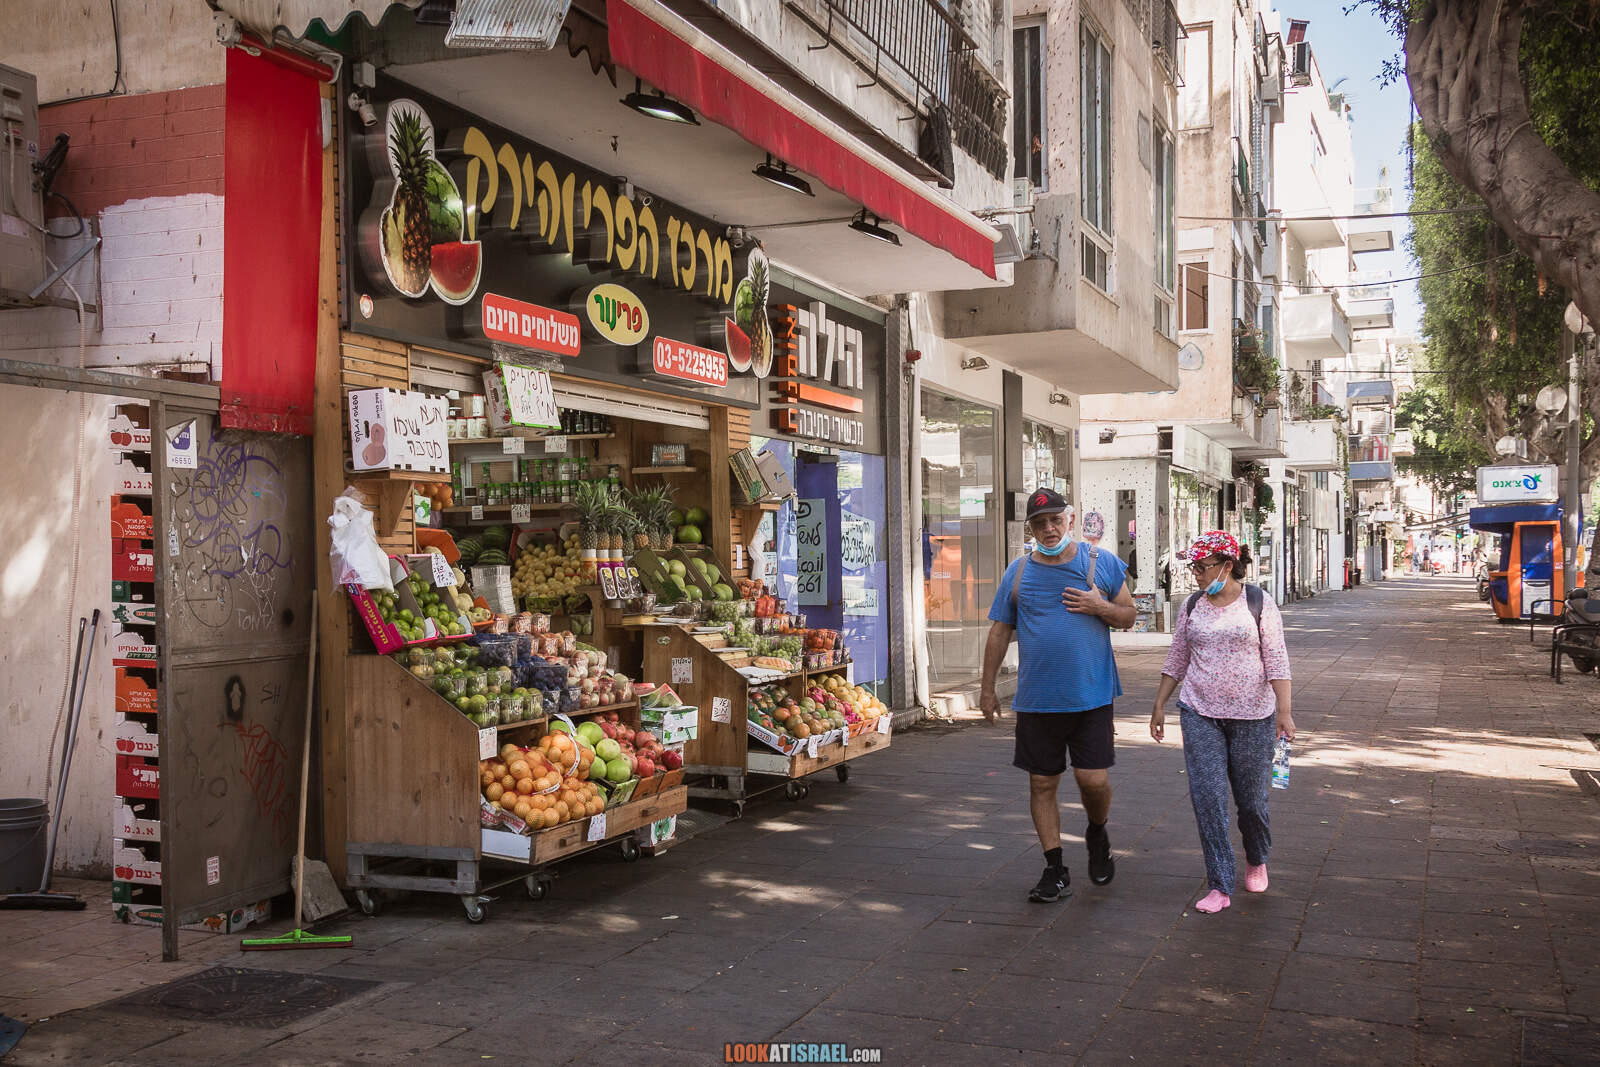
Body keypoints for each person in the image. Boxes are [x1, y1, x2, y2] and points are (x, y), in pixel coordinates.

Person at [980, 488, 1137, 902]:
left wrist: (1099, 606)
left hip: (1091, 695)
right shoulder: (1017, 572)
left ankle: (1097, 832)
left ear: (1070, 519)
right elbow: (999, 630)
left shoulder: (1100, 563)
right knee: (1042, 784)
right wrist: (987, 689)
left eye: (1055, 520)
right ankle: (1054, 868)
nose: (1048, 529)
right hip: (1037, 700)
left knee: (1093, 781)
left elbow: (1129, 616)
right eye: (1039, 523)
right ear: (1029, 528)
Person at [1150, 531, 1294, 914]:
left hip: (1253, 715)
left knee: (1251, 802)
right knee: (1208, 798)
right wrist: (1160, 703)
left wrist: (1284, 711)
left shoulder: (1258, 603)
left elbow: (1277, 659)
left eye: (1202, 566)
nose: (1195, 573)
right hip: (1199, 712)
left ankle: (1256, 857)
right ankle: (1219, 884)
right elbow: (1178, 656)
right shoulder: (1193, 605)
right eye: (1193, 566)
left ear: (1227, 566)